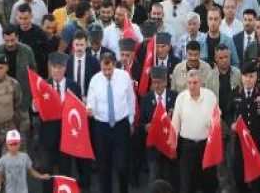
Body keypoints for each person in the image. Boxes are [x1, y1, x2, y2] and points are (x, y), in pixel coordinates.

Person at [86, 53, 135, 193]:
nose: (107, 73)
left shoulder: (124, 77)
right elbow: (91, 101)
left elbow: (131, 100)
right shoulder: (95, 80)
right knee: (104, 167)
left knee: (122, 166)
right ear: (100, 66)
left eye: (109, 69)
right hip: (102, 127)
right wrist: (89, 109)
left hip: (121, 126)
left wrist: (131, 121)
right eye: (104, 70)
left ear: (114, 64)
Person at [37, 52, 83, 193]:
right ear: (50, 68)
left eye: (60, 67)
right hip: (47, 138)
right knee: (46, 173)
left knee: (65, 173)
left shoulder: (74, 86)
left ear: (65, 68)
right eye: (54, 67)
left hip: (66, 139)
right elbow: (34, 111)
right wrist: (34, 105)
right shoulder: (42, 85)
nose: (56, 70)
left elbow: (77, 111)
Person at [172, 69, 219, 193]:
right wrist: (173, 146)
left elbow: (217, 118)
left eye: (195, 83)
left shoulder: (210, 96)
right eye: (189, 83)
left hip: (206, 146)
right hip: (187, 147)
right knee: (187, 185)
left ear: (201, 83)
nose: (192, 86)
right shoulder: (181, 98)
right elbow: (175, 124)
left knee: (209, 184)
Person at [230, 62, 260, 193]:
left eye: (251, 76)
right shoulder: (235, 92)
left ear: (256, 77)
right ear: (241, 77)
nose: (248, 79)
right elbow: (227, 113)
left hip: (258, 143)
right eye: (245, 76)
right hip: (241, 144)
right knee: (239, 176)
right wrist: (232, 125)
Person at [140, 66, 179, 189]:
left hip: (170, 145)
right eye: (154, 82)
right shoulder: (146, 99)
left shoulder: (175, 97)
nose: (156, 86)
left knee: (172, 178)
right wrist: (145, 126)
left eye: (159, 82)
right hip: (154, 148)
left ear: (166, 82)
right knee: (155, 178)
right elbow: (140, 122)